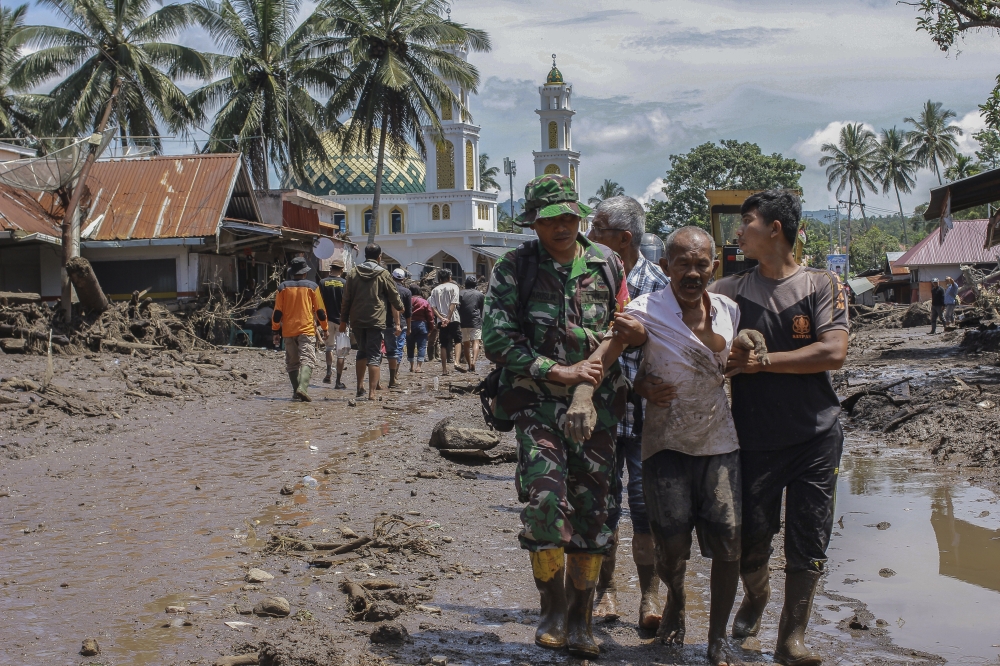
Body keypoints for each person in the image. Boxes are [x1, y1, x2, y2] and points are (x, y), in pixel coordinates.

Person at [483, 174, 630, 658]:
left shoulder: (607, 263)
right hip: (537, 405)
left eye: (569, 216)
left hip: (598, 409)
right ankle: (553, 608)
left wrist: (588, 379)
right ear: (534, 223)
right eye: (551, 220)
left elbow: (623, 327)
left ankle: (581, 617)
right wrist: (560, 372)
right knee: (546, 504)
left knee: (594, 511)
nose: (562, 226)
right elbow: (497, 340)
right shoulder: (515, 267)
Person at [709, 190, 848, 666]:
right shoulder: (728, 291)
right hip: (753, 437)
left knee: (809, 537)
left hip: (816, 434)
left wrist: (761, 364)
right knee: (750, 539)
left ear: (774, 229)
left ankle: (792, 638)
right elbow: (702, 344)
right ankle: (757, 594)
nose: (738, 232)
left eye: (747, 221)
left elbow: (833, 352)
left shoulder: (821, 283)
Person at [626, 226, 742, 665]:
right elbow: (618, 362)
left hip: (719, 440)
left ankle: (718, 638)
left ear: (714, 266)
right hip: (665, 444)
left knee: (728, 539)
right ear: (666, 267)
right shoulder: (643, 310)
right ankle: (675, 599)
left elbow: (735, 364)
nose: (692, 273)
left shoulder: (729, 309)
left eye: (701, 264)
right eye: (683, 264)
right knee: (671, 545)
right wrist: (640, 386)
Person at [586, 195, 668, 630]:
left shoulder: (657, 284)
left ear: (623, 238)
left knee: (644, 508)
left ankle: (650, 596)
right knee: (602, 507)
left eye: (597, 229)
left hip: (644, 419)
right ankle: (607, 591)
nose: (589, 235)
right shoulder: (587, 278)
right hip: (599, 415)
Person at [339, 244, 403, 401]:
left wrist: (343, 320)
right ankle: (372, 393)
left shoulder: (353, 273)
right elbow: (394, 295)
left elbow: (346, 299)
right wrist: (400, 307)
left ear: (365, 256)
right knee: (374, 354)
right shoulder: (383, 273)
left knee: (361, 351)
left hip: (357, 319)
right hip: (376, 319)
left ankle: (359, 387)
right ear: (379, 257)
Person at [271, 256, 328, 402]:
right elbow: (320, 311)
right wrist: (325, 328)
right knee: (307, 359)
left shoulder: (282, 288)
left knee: (292, 362)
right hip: (306, 329)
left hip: (288, 331)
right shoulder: (312, 287)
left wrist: (275, 331)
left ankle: (296, 391)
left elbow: (277, 313)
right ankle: (302, 388)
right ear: (305, 272)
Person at [318, 258, 348, 388]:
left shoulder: (322, 282)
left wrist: (319, 321)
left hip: (327, 320)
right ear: (342, 270)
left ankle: (329, 371)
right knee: (341, 352)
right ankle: (338, 381)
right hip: (342, 321)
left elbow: (319, 302)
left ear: (331, 269)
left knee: (329, 347)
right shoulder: (346, 283)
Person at [429, 269, 462, 375]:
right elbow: (453, 303)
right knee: (457, 341)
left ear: (439, 279)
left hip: (441, 321)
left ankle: (444, 369)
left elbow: (433, 307)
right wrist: (448, 318)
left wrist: (442, 318)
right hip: (453, 318)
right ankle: (456, 362)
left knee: (443, 344)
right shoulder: (454, 287)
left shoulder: (435, 290)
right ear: (450, 277)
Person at [388, 268, 412, 388]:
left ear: (392, 277)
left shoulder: (386, 288)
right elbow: (408, 312)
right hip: (401, 324)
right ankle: (395, 375)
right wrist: (409, 327)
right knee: (398, 349)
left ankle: (386, 377)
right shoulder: (406, 292)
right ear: (403, 279)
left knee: (384, 349)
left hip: (387, 323)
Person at [459, 275, 486, 373]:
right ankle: (474, 361)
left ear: (465, 284)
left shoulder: (460, 293)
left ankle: (469, 364)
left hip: (463, 321)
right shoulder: (480, 295)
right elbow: (482, 310)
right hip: (476, 321)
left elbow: (458, 308)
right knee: (476, 342)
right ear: (476, 285)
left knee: (466, 344)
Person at [408, 286, 433, 372]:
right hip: (422, 325)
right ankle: (418, 367)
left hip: (409, 324)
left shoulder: (407, 301)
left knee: (410, 346)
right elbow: (430, 316)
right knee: (422, 346)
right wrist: (431, 328)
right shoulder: (424, 301)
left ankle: (411, 366)